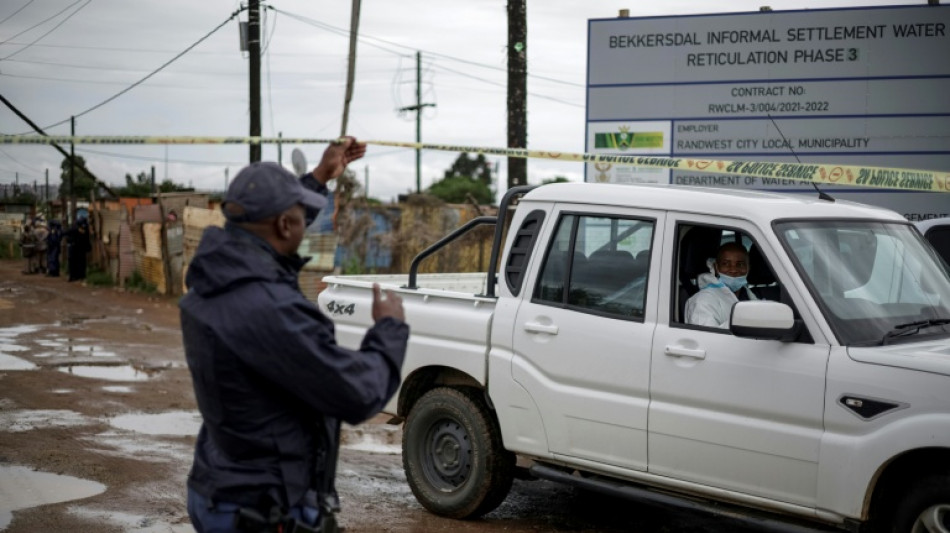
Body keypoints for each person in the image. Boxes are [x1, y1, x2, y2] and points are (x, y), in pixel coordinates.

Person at [180, 138, 408, 533]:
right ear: (284, 225)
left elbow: (271, 246)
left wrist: (319, 177)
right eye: (302, 215)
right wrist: (389, 329)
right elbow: (356, 393)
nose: (307, 223)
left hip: (220, 487)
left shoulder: (214, 278)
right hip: (261, 508)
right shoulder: (270, 309)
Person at [685, 242, 758, 328]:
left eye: (740, 264)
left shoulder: (748, 295)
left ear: (748, 268)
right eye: (726, 264)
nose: (733, 270)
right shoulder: (702, 301)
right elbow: (707, 339)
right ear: (716, 267)